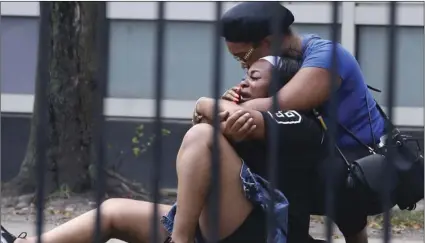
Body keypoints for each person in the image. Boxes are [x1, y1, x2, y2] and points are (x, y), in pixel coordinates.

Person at [2, 56, 316, 243]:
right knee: (113, 212)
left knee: (201, 136)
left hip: (260, 231)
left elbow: (216, 121)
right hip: (213, 227)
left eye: (254, 77)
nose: (243, 84)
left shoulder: (295, 119)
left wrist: (205, 103)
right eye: (243, 76)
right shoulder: (243, 114)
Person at [220, 2, 423, 243]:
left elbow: (276, 106)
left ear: (269, 41)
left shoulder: (326, 57)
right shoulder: (278, 65)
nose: (244, 65)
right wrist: (233, 100)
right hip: (325, 158)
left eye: (244, 56)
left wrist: (214, 107)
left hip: (363, 169)